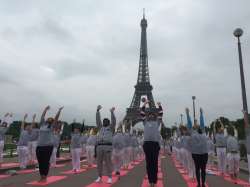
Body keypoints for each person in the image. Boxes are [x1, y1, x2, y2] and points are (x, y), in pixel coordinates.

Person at [36, 105, 63, 183]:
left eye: (50, 119)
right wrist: (45, 109)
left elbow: (56, 119)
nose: (48, 119)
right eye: (48, 119)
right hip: (39, 146)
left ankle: (44, 176)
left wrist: (59, 111)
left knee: (45, 161)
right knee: (40, 162)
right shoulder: (42, 125)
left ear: (51, 122)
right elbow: (42, 116)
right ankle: (41, 175)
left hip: (48, 146)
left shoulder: (51, 127)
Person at [140, 99, 163, 187]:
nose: (151, 116)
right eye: (149, 115)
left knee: (154, 163)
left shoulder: (157, 122)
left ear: (154, 116)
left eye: (152, 115)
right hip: (147, 144)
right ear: (147, 116)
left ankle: (154, 180)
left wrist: (159, 105)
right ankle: (150, 181)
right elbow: (142, 112)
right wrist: (145, 103)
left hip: (154, 144)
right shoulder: (145, 122)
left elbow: (161, 114)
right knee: (149, 163)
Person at [95, 105, 116, 184]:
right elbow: (97, 120)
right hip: (99, 146)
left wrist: (112, 112)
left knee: (108, 162)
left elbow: (114, 121)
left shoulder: (111, 128)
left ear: (109, 123)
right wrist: (97, 111)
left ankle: (109, 177)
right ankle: (99, 176)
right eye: (104, 121)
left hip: (107, 146)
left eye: (106, 121)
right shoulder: (100, 128)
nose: (104, 122)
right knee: (99, 162)